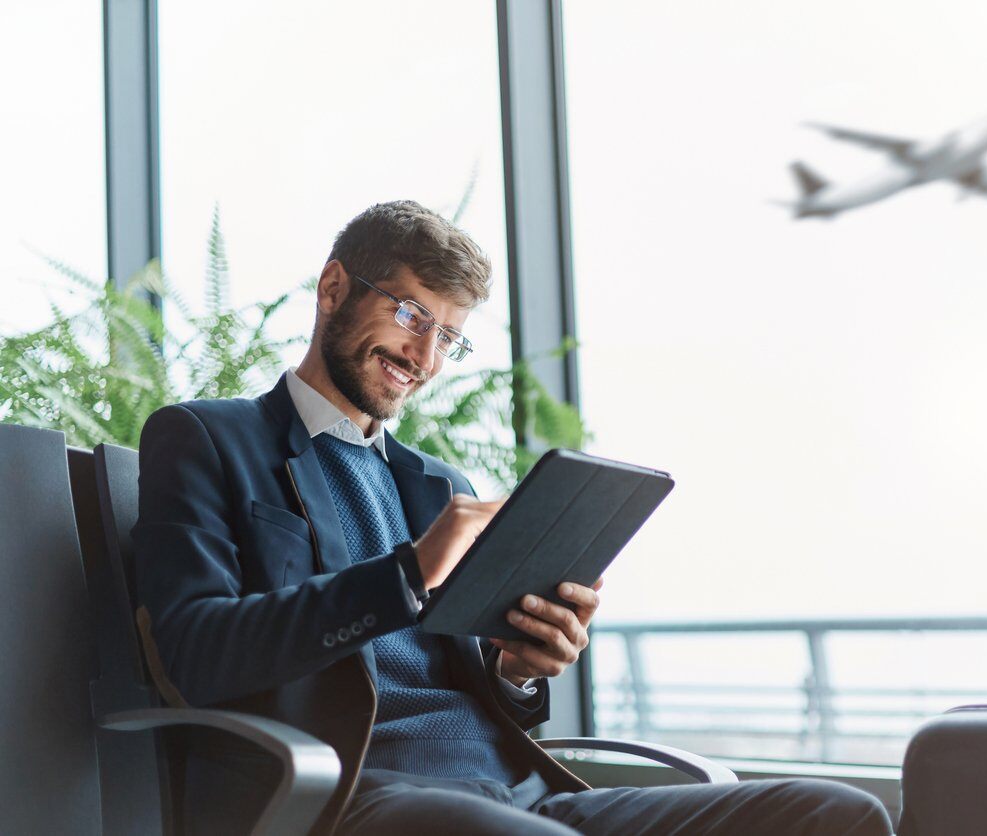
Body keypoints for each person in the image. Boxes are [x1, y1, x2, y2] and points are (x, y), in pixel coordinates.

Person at [132, 200, 894, 835]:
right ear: (334, 287)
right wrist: (409, 571)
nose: (424, 356)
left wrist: (521, 670)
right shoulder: (206, 439)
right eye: (410, 314)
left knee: (835, 813)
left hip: (515, 791)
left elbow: (480, 688)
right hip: (357, 790)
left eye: (448, 336)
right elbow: (200, 653)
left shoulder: (436, 484)